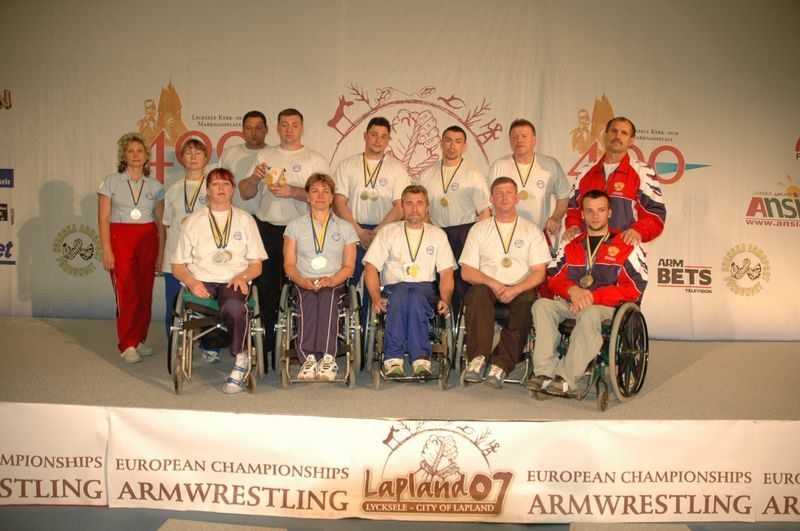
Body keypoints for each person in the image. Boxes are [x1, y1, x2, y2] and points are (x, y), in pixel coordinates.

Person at [531, 190, 647, 393]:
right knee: (542, 305)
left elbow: (635, 287)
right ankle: (545, 372)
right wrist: (573, 290)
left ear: (609, 213)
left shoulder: (627, 244)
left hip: (607, 308)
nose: (595, 216)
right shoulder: (571, 244)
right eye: (590, 211)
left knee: (590, 312)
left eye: (601, 210)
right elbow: (554, 277)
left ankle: (567, 377)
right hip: (572, 302)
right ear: (582, 214)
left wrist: (592, 297)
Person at [238, 108, 330, 362]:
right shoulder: (265, 154)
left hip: (300, 231)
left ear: (302, 128)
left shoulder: (314, 158)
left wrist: (293, 191)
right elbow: (245, 193)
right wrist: (255, 179)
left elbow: (324, 197)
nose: (289, 129)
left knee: (297, 288)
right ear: (277, 128)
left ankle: (295, 345)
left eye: (294, 125)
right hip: (266, 229)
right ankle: (265, 345)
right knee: (264, 289)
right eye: (284, 125)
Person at [171, 168, 267, 394]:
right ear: (207, 190)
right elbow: (177, 266)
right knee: (195, 302)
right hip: (201, 280)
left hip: (232, 280)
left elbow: (256, 265)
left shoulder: (245, 220)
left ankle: (241, 360)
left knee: (234, 307)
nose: (221, 188)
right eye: (215, 184)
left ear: (233, 189)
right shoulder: (193, 221)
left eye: (225, 183)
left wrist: (242, 276)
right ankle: (216, 345)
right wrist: (191, 281)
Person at [459, 177, 551, 388]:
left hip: (521, 287)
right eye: (499, 193)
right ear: (491, 199)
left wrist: (515, 289)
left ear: (517, 198)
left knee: (528, 303)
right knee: (476, 294)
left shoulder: (531, 230)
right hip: (489, 285)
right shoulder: (479, 229)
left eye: (509, 193)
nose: (504, 197)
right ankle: (477, 358)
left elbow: (539, 272)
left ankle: (501, 363)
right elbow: (467, 271)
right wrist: (495, 284)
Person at [363, 185, 455, 377]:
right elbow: (371, 268)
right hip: (393, 288)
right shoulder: (388, 232)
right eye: (409, 204)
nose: (414, 209)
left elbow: (446, 274)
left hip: (425, 289)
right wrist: (375, 298)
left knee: (414, 296)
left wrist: (445, 299)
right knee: (401, 294)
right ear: (402, 207)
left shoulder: (437, 235)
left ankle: (420, 359)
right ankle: (393, 359)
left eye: (419, 203)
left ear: (427, 207)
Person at [97, 132, 165, 363]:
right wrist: (107, 250)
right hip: (121, 237)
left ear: (147, 156)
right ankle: (126, 344)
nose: (136, 155)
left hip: (148, 239)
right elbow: (103, 219)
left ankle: (138, 339)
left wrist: (161, 254)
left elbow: (161, 222)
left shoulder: (156, 186)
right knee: (127, 294)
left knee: (145, 293)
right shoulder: (110, 182)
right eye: (130, 151)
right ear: (123, 156)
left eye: (140, 151)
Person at [283, 173, 358, 381]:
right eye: (315, 191)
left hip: (334, 282)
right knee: (307, 297)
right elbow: (289, 264)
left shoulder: (345, 228)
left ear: (332, 197)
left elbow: (349, 266)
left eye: (326, 191)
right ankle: (308, 359)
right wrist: (302, 281)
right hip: (303, 280)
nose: (320, 196)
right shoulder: (295, 226)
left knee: (327, 296)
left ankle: (327, 358)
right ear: (307, 196)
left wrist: (332, 280)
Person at [418, 125, 490, 315]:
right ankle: (436, 327)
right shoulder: (426, 174)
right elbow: (419, 209)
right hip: (434, 231)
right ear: (441, 143)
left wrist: (482, 244)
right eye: (448, 140)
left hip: (465, 233)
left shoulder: (474, 174)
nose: (452, 146)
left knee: (461, 284)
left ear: (465, 146)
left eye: (458, 141)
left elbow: (484, 212)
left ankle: (460, 332)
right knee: (432, 279)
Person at [563, 116, 666, 246]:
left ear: (631, 141)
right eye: (614, 131)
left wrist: (638, 230)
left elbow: (655, 213)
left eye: (624, 133)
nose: (618, 136)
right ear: (605, 136)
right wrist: (573, 226)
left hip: (625, 250)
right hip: (587, 251)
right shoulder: (586, 171)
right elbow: (574, 208)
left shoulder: (643, 172)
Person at [333, 116, 409, 285]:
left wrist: (377, 233)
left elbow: (400, 207)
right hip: (352, 230)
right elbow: (338, 202)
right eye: (374, 134)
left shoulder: (397, 168)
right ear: (365, 135)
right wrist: (359, 232)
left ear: (389, 140)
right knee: (346, 283)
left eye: (383, 136)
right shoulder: (347, 164)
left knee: (377, 287)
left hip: (384, 232)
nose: (378, 140)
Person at [488, 118, 571, 238]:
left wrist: (555, 217)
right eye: (514, 137)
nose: (519, 140)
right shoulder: (499, 166)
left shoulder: (550, 165)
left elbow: (563, 195)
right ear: (510, 141)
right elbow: (488, 202)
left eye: (524, 136)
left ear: (534, 139)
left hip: (537, 234)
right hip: (504, 234)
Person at [161, 138, 209, 343]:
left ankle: (208, 344)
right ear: (182, 159)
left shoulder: (214, 186)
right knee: (173, 303)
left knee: (205, 304)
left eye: (198, 153)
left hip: (203, 258)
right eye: (188, 153)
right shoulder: (172, 189)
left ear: (206, 158)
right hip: (175, 256)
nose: (193, 157)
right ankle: (174, 342)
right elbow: (167, 224)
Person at [217, 110, 268, 216]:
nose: (253, 133)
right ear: (243, 130)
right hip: (235, 216)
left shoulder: (274, 155)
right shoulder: (229, 153)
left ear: (266, 130)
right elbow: (219, 185)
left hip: (266, 222)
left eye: (258, 128)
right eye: (249, 128)